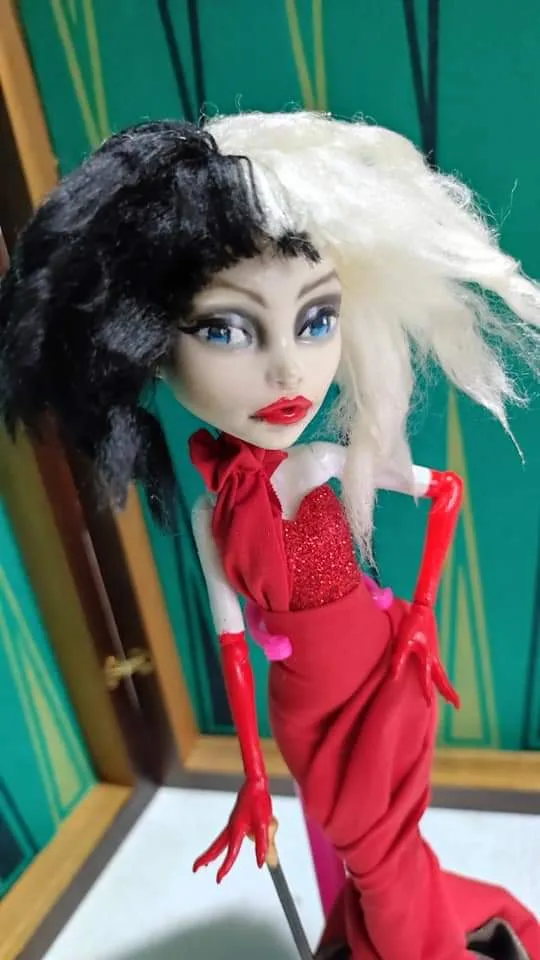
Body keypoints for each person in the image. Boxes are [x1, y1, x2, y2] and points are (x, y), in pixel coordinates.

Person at [1, 112, 539, 959]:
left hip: (381, 669)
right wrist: (253, 777)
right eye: (225, 329)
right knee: (360, 848)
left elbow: (446, 491)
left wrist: (420, 616)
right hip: (303, 708)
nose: (288, 369)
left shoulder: (317, 463)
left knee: (384, 853)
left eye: (316, 318)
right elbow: (231, 650)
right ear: (149, 346)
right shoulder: (216, 513)